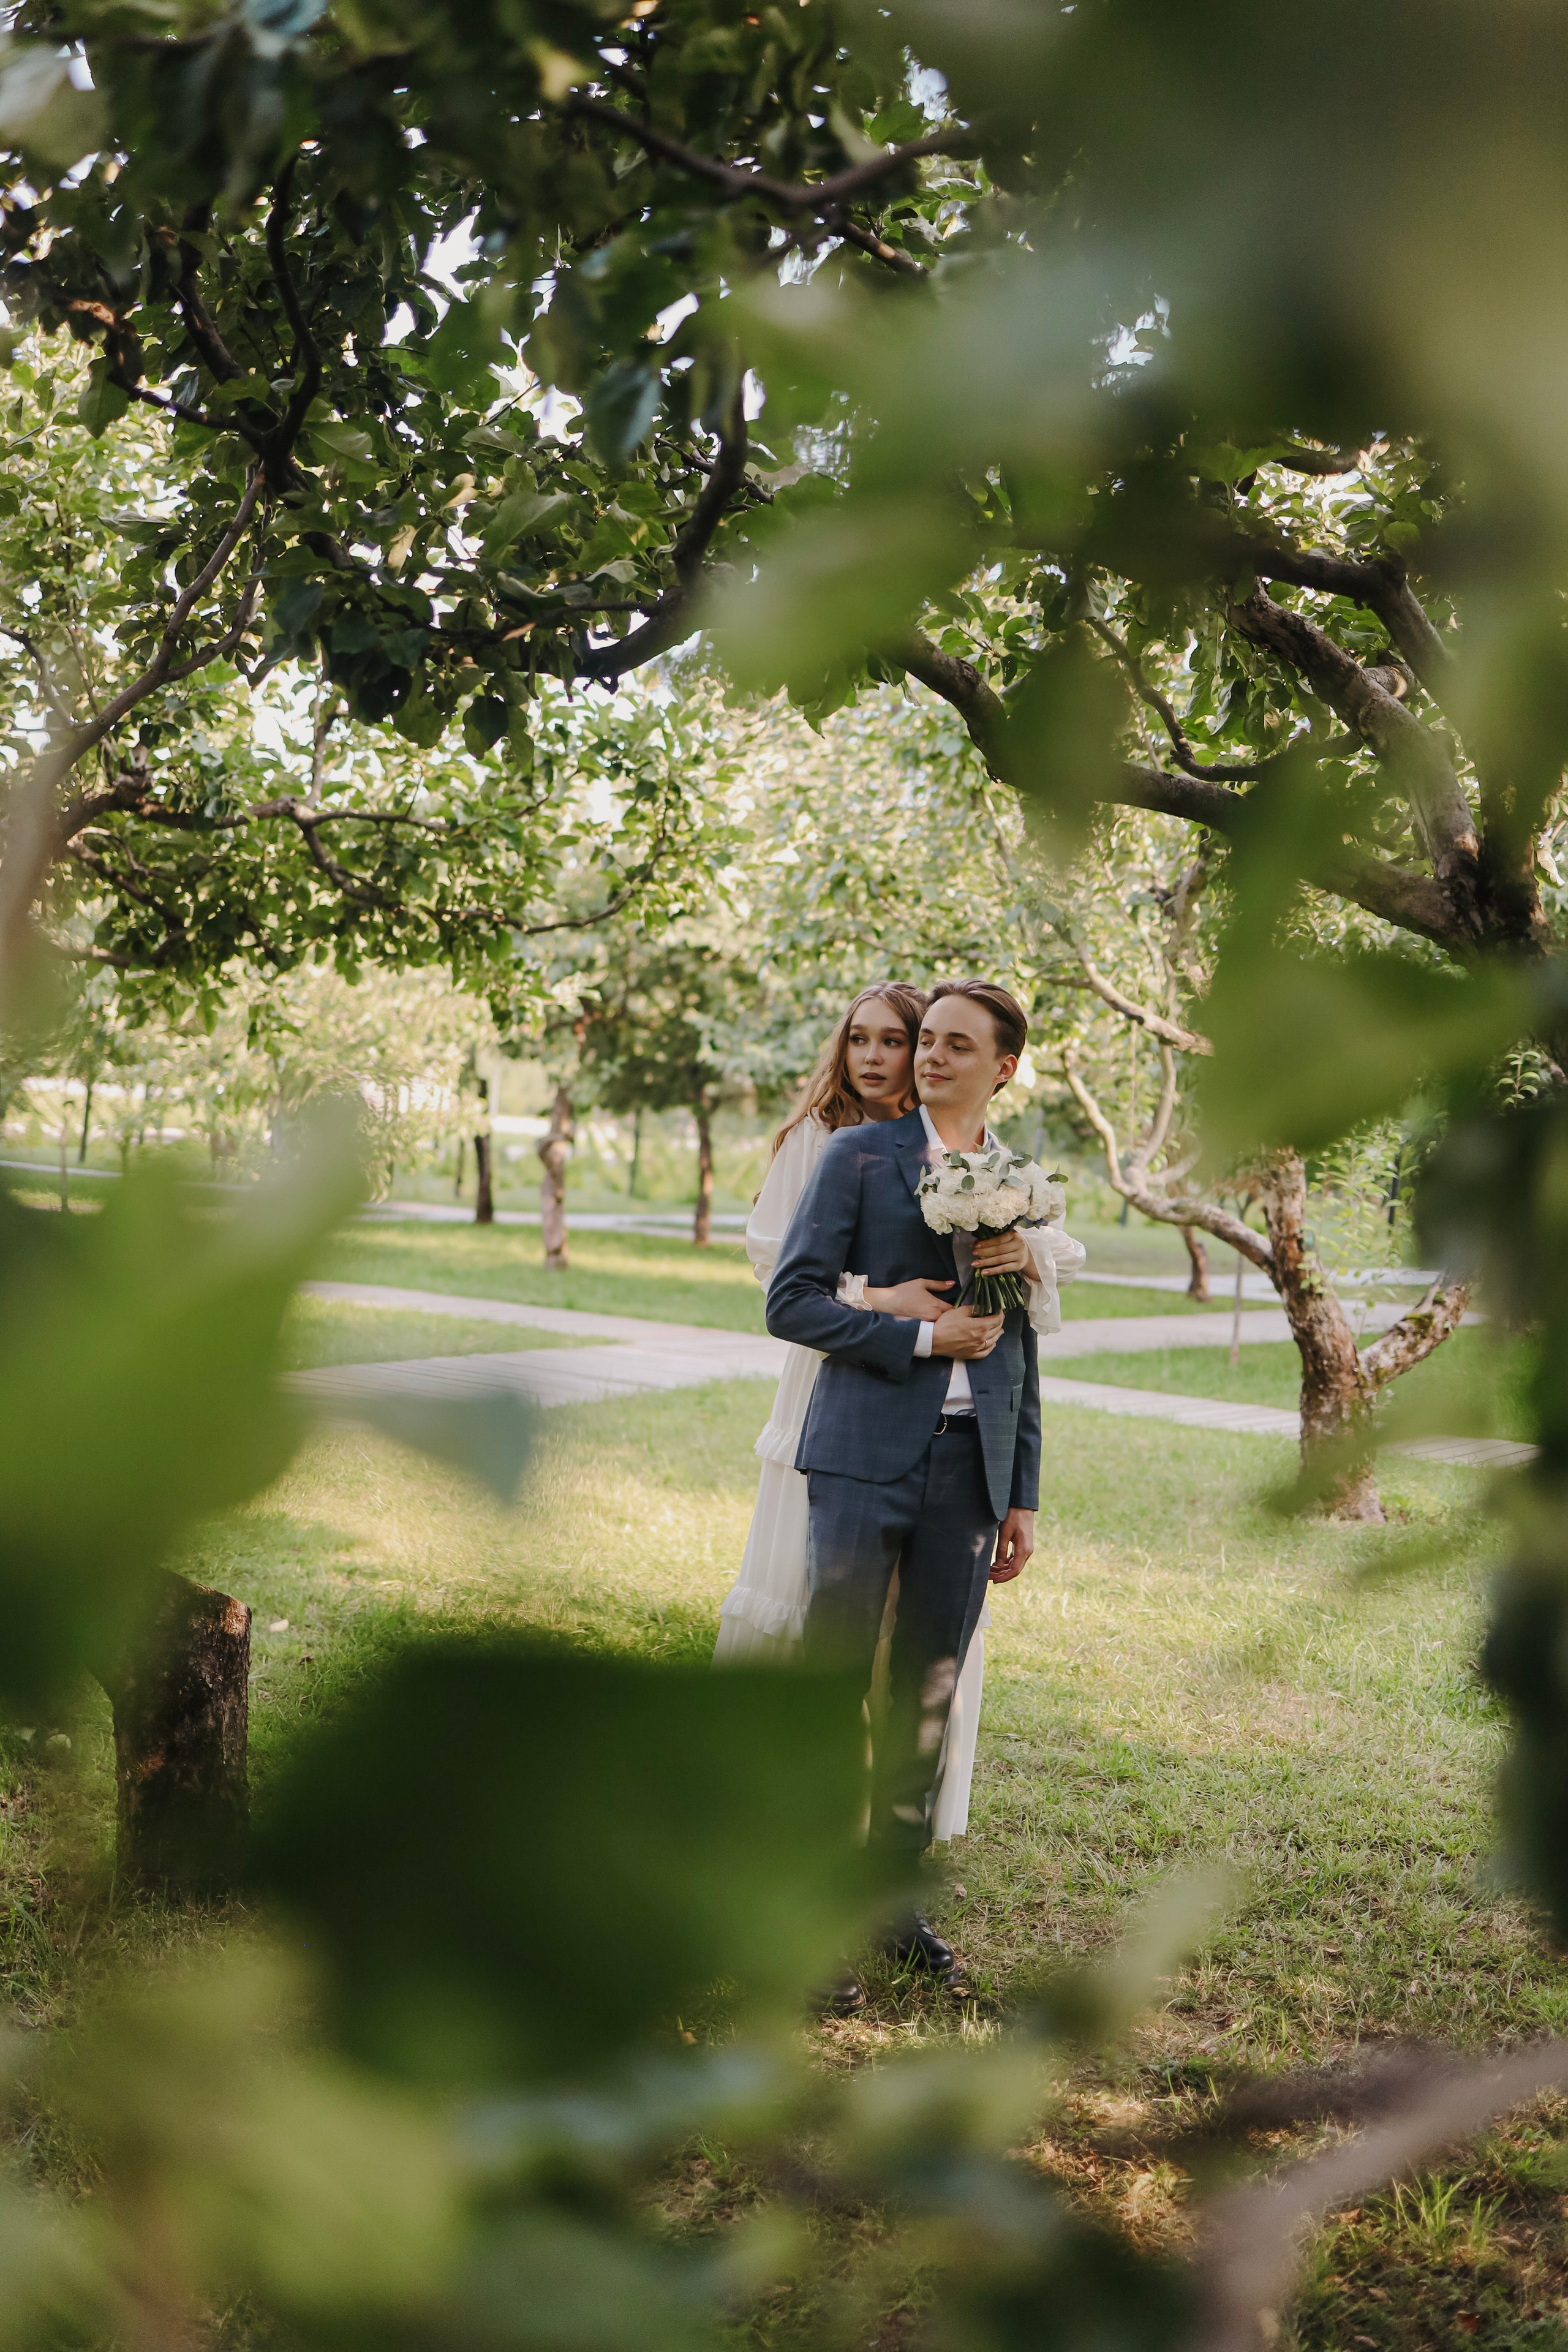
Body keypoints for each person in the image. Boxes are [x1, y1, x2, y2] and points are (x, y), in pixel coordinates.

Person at [766, 980, 1079, 2013]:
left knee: (926, 1695)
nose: (930, 1057)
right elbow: (791, 1302)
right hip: (861, 1455)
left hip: (970, 1475)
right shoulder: (861, 1157)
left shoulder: (1020, 1181)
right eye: (926, 1040)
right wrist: (917, 1335)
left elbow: (1021, 1349)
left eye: (956, 1045)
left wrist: (1020, 1492)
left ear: (1005, 1068)